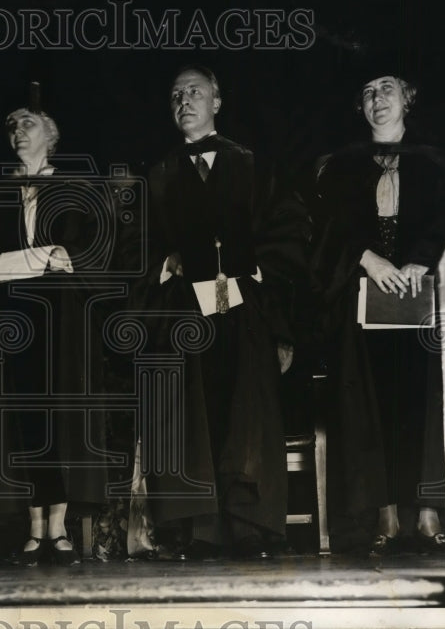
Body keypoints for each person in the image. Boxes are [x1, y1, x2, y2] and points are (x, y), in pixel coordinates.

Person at [140, 65, 308, 558]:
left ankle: (249, 526)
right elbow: (136, 245)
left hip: (243, 306)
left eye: (195, 92)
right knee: (189, 416)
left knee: (246, 413)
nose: (184, 101)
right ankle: (198, 531)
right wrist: (166, 263)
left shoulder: (253, 166)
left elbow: (289, 230)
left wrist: (255, 267)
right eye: (176, 94)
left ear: (217, 102)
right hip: (182, 311)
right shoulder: (156, 175)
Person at [311, 73, 445, 555]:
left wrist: (422, 258)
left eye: (387, 89)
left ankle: (428, 510)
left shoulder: (438, 162)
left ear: (407, 99)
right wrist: (366, 258)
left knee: (425, 399)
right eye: (367, 92)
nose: (377, 99)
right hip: (360, 300)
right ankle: (384, 513)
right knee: (368, 401)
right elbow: (323, 229)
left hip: (424, 298)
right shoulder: (339, 166)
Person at [0, 107, 109, 565]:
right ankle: (33, 524)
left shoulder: (78, 189)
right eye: (12, 126)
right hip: (10, 318)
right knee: (23, 421)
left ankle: (57, 525)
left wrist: (67, 254)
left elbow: (99, 246)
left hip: (62, 320)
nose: (18, 132)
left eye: (29, 124)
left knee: (58, 418)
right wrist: (1, 264)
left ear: (51, 135)